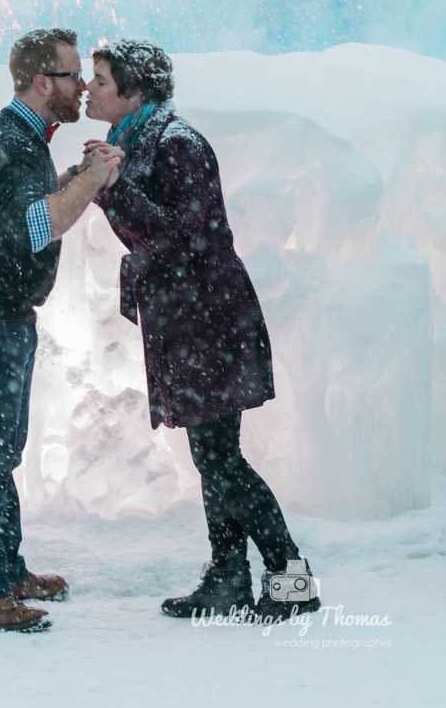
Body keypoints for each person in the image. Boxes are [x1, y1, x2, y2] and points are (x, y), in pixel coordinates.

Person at [82, 39, 320, 621]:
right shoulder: (131, 139)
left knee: (220, 460)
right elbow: (150, 232)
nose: (90, 89)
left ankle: (291, 582)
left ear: (136, 93)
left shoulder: (178, 143)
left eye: (102, 80)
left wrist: (113, 188)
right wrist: (107, 183)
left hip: (208, 319)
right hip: (184, 318)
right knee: (213, 455)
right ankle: (229, 578)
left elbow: (184, 238)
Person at [0, 28, 122, 633]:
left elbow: (28, 208)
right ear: (43, 83)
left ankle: (6, 572)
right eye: (72, 76)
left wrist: (75, 174)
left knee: (0, 449)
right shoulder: (9, 144)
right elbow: (35, 227)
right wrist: (90, 183)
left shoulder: (21, 137)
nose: (82, 87)